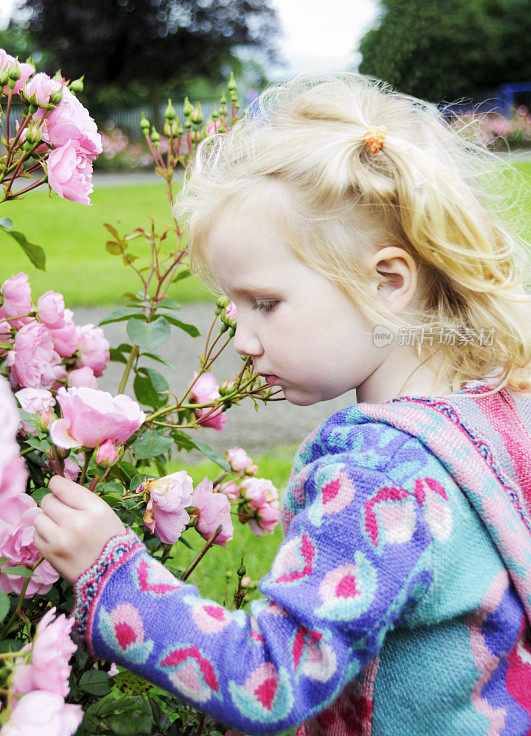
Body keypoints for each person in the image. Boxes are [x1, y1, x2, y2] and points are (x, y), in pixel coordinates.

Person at [34, 73, 530, 736]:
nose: (241, 341)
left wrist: (114, 574)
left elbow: (267, 679)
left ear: (386, 283)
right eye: (233, 308)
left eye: (265, 304)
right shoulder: (493, 412)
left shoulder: (376, 478)